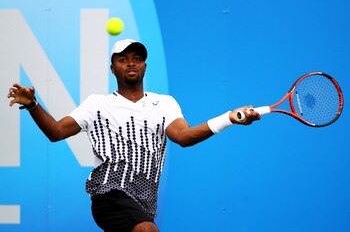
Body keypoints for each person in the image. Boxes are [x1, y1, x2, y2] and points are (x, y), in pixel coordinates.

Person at [7, 39, 260, 232]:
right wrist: (32, 105)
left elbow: (184, 136)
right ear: (112, 68)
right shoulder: (97, 104)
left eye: (137, 58)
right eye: (123, 59)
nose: (131, 63)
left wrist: (228, 118)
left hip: (145, 203)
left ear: (145, 67)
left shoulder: (165, 103)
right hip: (109, 194)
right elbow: (56, 132)